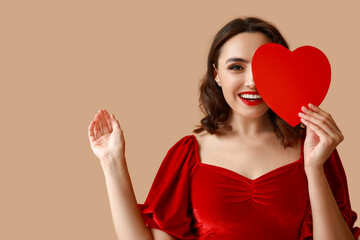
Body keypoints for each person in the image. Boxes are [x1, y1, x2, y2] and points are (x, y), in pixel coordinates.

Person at [88, 17, 360, 240]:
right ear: (216, 74)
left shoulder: (315, 151)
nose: (252, 82)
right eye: (237, 67)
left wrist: (313, 168)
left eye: (265, 67)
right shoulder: (188, 155)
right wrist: (112, 161)